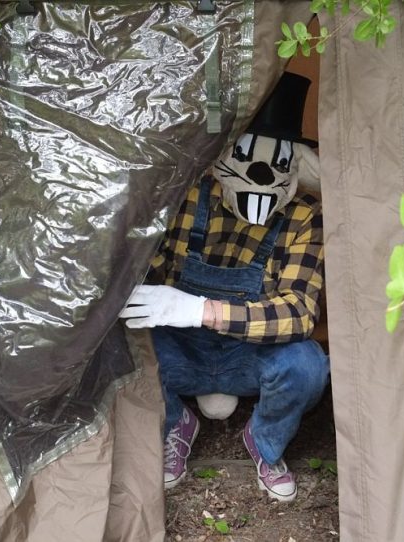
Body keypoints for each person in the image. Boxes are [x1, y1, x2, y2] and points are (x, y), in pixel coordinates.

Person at [120, 72, 328, 502]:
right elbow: (141, 267)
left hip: (251, 358)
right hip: (181, 353)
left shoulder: (304, 216)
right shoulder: (186, 196)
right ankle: (176, 421)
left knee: (308, 366)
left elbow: (300, 313)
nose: (260, 173)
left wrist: (200, 309)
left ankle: (266, 442)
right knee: (119, 341)